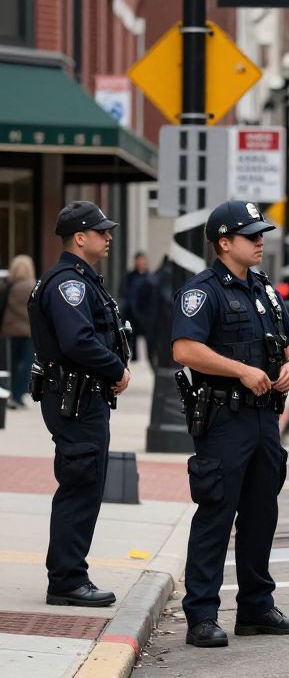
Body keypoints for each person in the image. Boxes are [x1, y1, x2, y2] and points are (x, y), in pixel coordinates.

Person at [171, 200, 289, 648]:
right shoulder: (202, 291)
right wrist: (240, 370)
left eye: (261, 233)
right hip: (224, 417)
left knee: (261, 514)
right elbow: (185, 349)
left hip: (265, 417)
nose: (260, 240)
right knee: (216, 513)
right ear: (224, 243)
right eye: (251, 235)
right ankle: (202, 616)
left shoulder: (265, 289)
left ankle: (255, 607)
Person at [27, 201, 132, 606]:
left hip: (81, 397)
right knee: (80, 485)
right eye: (101, 231)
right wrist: (116, 370)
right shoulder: (68, 284)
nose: (108, 237)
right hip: (76, 399)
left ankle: (70, 573)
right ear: (79, 238)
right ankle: (68, 580)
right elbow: (78, 341)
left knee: (84, 484)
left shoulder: (82, 279)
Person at [2, 254, 35, 409]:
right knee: (27, 365)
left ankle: (9, 394)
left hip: (9, 332)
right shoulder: (34, 287)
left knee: (11, 365)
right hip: (29, 332)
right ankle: (18, 394)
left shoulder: (7, 287)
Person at [119, 251, 153, 364]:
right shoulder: (130, 276)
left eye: (143, 260)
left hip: (145, 312)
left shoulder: (150, 278)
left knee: (147, 338)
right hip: (131, 311)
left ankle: (149, 358)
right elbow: (124, 291)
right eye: (139, 260)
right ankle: (133, 358)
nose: (141, 262)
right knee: (131, 336)